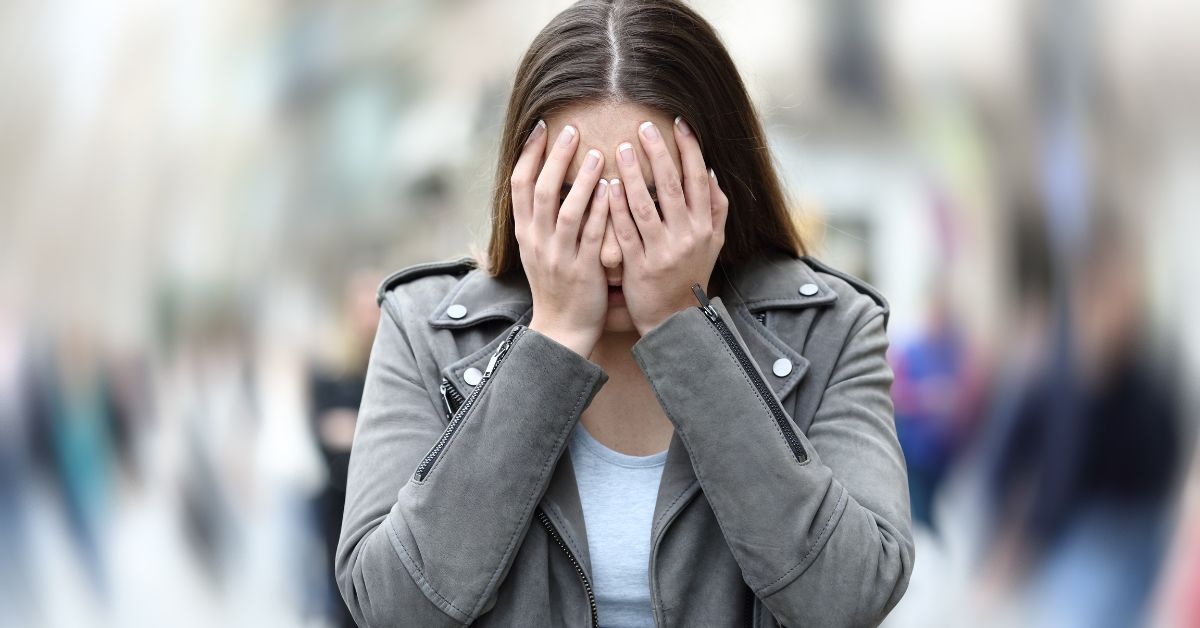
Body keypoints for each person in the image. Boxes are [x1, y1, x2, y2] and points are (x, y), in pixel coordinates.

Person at [335, 1, 913, 626]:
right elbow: (392, 607)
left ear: (719, 187)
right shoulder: (424, 329)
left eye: (651, 199)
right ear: (519, 193)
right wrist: (551, 339)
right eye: (574, 200)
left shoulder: (833, 329)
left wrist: (682, 325)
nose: (611, 247)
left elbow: (850, 598)